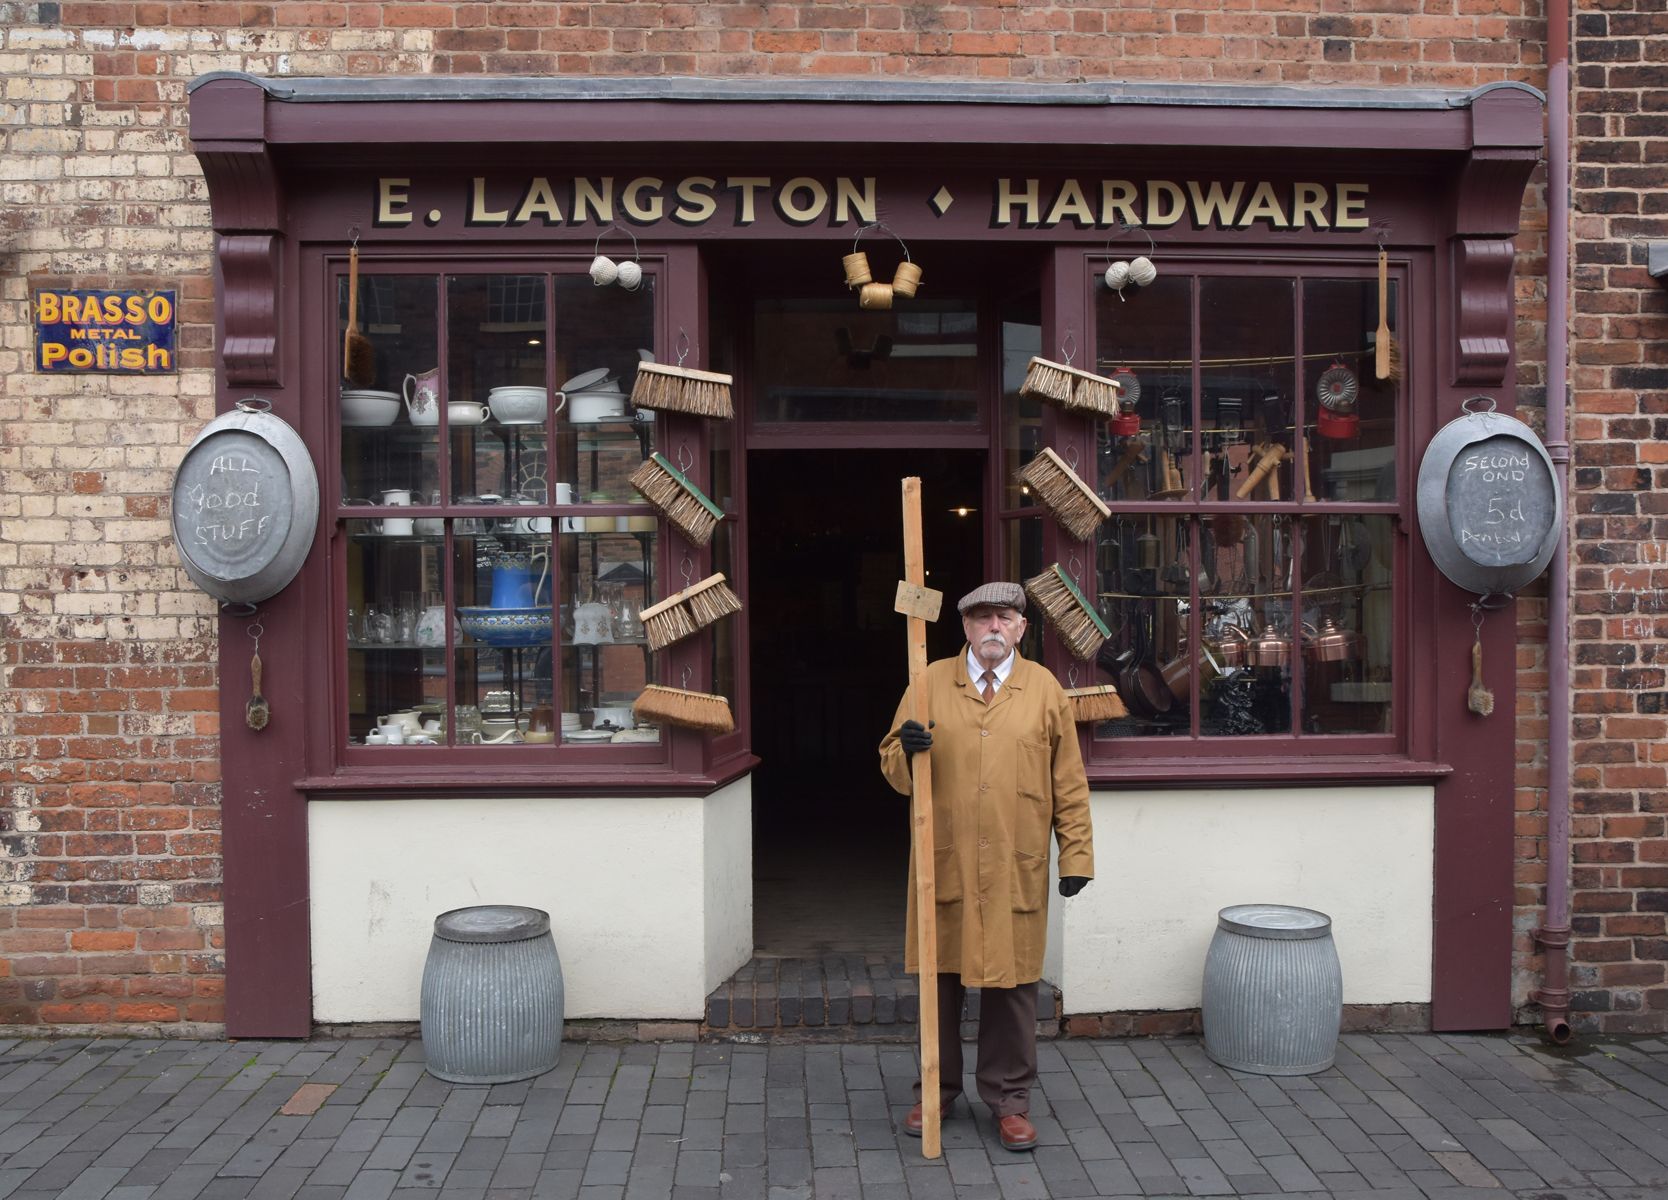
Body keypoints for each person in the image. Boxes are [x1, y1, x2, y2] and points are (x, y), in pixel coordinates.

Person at [878, 580, 1094, 1152]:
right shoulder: (928, 684)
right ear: (965, 628)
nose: (992, 627)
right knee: (939, 979)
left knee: (1013, 985)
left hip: (1013, 863)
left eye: (1004, 617)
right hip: (943, 861)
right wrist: (909, 747)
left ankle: (1010, 1100)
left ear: (1022, 627)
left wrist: (1076, 853)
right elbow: (891, 765)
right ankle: (937, 1090)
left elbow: (1068, 782)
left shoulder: (1044, 690)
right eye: (980, 619)